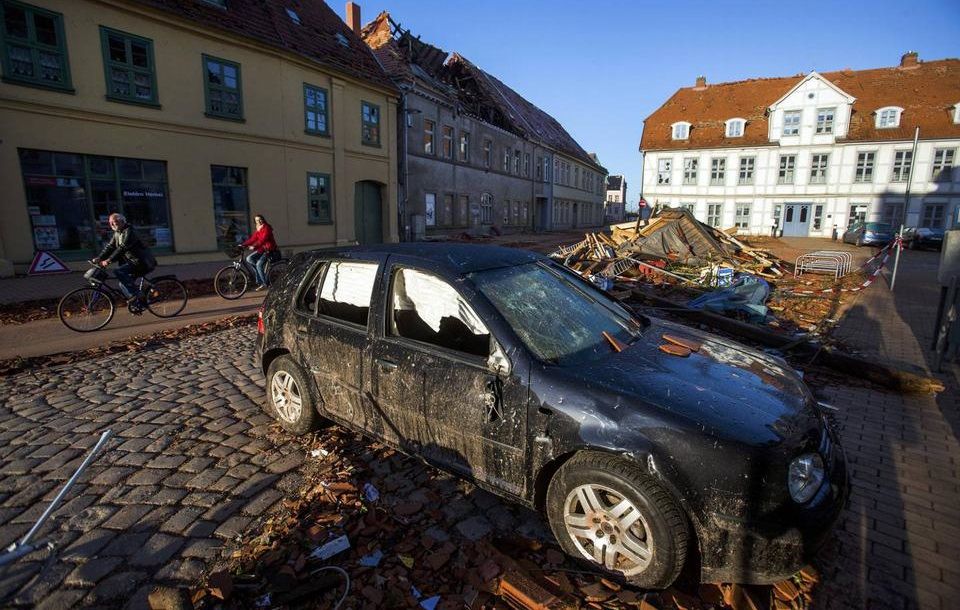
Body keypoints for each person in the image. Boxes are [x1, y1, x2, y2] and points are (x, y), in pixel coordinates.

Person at [93, 213, 156, 314]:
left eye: (115, 222)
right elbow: (110, 247)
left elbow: (122, 248)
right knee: (122, 284)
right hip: (133, 262)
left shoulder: (130, 232)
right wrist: (99, 258)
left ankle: (138, 294)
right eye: (111, 223)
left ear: (122, 221)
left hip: (141, 263)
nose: (113, 225)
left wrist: (108, 260)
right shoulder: (118, 232)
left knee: (119, 272)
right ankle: (138, 304)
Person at [240, 214, 278, 290]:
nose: (259, 221)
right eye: (257, 220)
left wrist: (254, 246)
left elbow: (263, 239)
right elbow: (252, 239)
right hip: (262, 249)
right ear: (255, 221)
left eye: (260, 219)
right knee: (249, 259)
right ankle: (260, 277)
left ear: (263, 219)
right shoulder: (258, 228)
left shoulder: (267, 227)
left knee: (258, 265)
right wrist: (242, 244)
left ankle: (264, 284)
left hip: (269, 249)